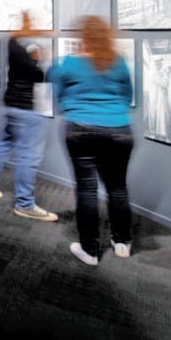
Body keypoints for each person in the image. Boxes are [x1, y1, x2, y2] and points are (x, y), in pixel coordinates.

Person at [51, 15, 134, 266]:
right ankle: (122, 243)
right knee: (117, 188)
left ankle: (90, 250)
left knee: (87, 190)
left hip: (81, 130)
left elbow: (59, 96)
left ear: (82, 37)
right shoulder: (118, 62)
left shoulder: (68, 63)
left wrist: (75, 108)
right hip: (119, 130)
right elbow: (128, 95)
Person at [0, 11, 58, 221]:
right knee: (27, 155)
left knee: (3, 144)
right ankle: (25, 203)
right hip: (25, 108)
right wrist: (43, 59)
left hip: (11, 104)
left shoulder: (13, 44)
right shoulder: (22, 50)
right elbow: (38, 75)